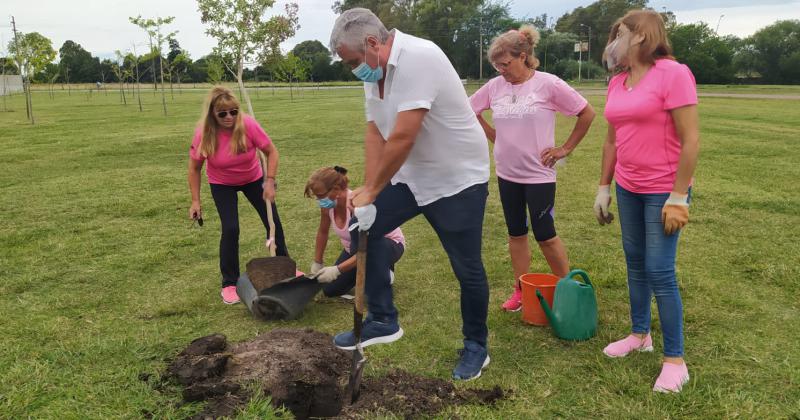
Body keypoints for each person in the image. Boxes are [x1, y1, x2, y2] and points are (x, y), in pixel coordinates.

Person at [328, 8, 492, 380]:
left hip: (456, 180)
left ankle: (476, 347)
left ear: (372, 44)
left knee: (466, 268)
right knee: (361, 229)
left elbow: (404, 136)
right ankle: (384, 320)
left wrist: (372, 190)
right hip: (411, 177)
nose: (353, 69)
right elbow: (376, 132)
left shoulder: (421, 57)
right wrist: (369, 191)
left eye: (353, 61)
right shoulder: (376, 73)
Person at [594, 10, 700, 393]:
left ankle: (675, 360)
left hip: (662, 190)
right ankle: (640, 335)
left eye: (618, 34)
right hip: (628, 187)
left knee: (660, 270)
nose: (612, 43)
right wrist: (603, 187)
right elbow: (611, 139)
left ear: (641, 36)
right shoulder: (618, 81)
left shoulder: (673, 73)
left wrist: (678, 196)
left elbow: (691, 140)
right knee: (635, 263)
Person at [469, 26, 595, 312]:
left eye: (505, 63)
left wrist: (565, 148)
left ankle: (568, 291)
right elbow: (470, 109)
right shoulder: (495, 86)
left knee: (544, 232)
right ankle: (521, 289)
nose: (501, 70)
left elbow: (587, 112)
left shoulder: (548, 84)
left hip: (539, 175)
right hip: (506, 173)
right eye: (496, 65)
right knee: (516, 233)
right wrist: (492, 135)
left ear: (523, 57)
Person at [187, 86, 289, 305]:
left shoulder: (248, 124)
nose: (229, 117)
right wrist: (196, 201)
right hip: (221, 183)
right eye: (222, 113)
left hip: (253, 178)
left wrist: (269, 181)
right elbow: (194, 168)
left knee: (273, 222)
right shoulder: (204, 134)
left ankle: (285, 267)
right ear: (212, 114)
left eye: (234, 111)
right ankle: (229, 283)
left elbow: (271, 151)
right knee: (231, 228)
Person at [304, 166, 405, 298]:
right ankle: (372, 271)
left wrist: (337, 270)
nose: (319, 200)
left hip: (387, 245)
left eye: (321, 196)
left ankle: (384, 271)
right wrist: (317, 262)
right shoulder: (328, 207)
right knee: (331, 290)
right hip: (354, 250)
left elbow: (367, 249)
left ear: (336, 189)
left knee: (372, 287)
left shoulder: (357, 207)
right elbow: (322, 232)